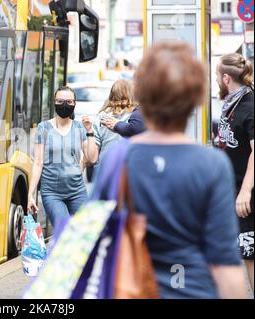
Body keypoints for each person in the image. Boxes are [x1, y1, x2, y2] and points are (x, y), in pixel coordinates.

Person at [93, 42, 247, 298]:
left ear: (143, 94)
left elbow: (99, 237)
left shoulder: (117, 159)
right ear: (195, 98)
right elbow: (225, 263)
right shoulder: (211, 165)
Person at [27, 86, 98, 229]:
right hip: (52, 192)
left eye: (69, 101)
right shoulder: (43, 128)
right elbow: (38, 163)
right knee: (64, 230)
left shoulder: (80, 128)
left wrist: (90, 131)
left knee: (83, 232)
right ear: (54, 102)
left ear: (74, 104)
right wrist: (30, 194)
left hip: (77, 190)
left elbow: (92, 158)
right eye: (60, 101)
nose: (65, 104)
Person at [216, 53, 254, 291]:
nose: (217, 81)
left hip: (245, 193)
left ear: (227, 78)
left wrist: (245, 191)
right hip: (230, 190)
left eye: (218, 77)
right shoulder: (233, 102)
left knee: (250, 254)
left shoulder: (249, 105)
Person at [93, 79, 136, 159]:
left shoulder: (102, 116)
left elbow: (94, 151)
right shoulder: (134, 116)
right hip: (126, 165)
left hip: (105, 165)